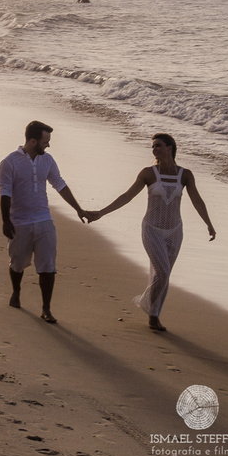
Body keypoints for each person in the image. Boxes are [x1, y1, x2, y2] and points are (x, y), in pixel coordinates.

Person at [86, 133, 216, 331]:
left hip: (175, 231)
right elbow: (127, 196)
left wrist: (208, 223)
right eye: (153, 146)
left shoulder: (185, 174)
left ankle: (154, 316)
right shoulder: (148, 173)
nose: (154, 149)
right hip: (151, 229)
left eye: (158, 145)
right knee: (162, 272)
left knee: (164, 274)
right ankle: (146, 303)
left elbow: (197, 200)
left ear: (169, 148)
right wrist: (101, 213)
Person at [0, 120, 89, 324]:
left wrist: (78, 209)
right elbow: (4, 193)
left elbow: (60, 184)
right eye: (45, 141)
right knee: (18, 263)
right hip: (19, 221)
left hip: (44, 219)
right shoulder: (9, 163)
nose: (48, 145)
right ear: (32, 141)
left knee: (48, 265)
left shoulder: (47, 161)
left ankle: (46, 308)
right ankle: (16, 291)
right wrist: (6, 221)